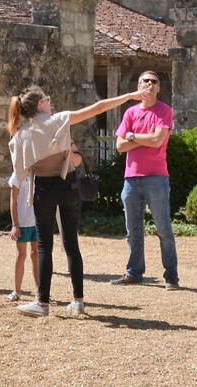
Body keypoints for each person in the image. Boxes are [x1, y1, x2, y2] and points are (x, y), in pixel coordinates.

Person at [8, 82, 151, 319]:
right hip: (68, 185)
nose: (50, 102)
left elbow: (20, 171)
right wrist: (131, 96)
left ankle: (42, 302)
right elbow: (97, 108)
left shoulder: (22, 133)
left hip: (43, 187)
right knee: (71, 244)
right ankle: (78, 301)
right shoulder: (58, 120)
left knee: (44, 246)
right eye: (47, 99)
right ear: (41, 104)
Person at [112, 69, 180, 289]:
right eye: (145, 81)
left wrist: (132, 136)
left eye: (154, 81)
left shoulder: (164, 111)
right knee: (133, 232)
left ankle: (171, 276)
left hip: (157, 178)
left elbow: (157, 141)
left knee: (164, 229)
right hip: (131, 179)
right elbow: (120, 146)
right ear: (139, 86)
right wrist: (142, 138)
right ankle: (134, 273)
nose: (149, 84)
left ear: (158, 88)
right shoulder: (130, 113)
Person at [6, 164, 38, 303]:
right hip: (23, 222)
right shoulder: (18, 174)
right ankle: (17, 291)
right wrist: (15, 224)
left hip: (37, 221)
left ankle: (39, 291)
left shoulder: (39, 172)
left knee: (36, 255)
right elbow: (13, 201)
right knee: (21, 255)